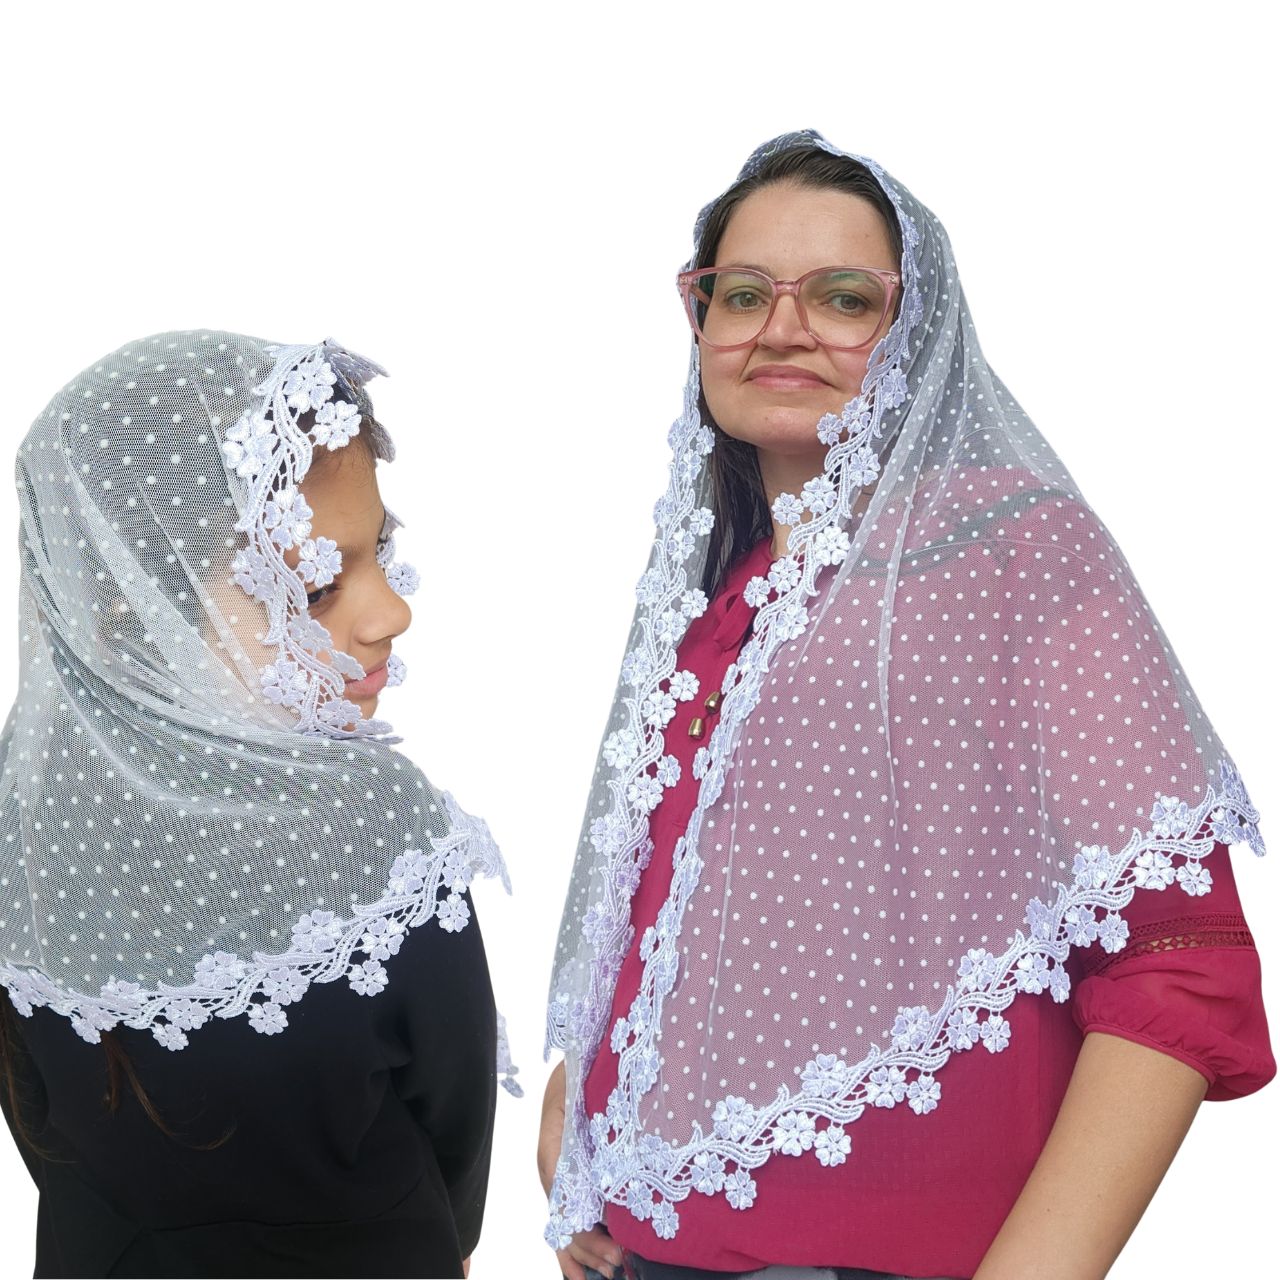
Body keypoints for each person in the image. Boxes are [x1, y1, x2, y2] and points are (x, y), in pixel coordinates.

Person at [537, 132, 1274, 1280]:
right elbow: (685, 919)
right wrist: (578, 1107)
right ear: (698, 321)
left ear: (914, 330)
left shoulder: (1013, 554)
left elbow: (1172, 961)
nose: (781, 328)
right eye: (742, 293)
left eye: (841, 296)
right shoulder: (723, 602)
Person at [0, 331, 517, 1278]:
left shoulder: (27, 812)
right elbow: (454, 1118)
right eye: (312, 585)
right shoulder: (369, 824)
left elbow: (39, 1122)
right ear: (135, 616)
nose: (390, 612)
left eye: (379, 550)